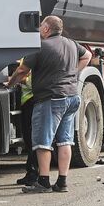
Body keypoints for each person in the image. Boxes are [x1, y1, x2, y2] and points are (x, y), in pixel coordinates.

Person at [6, 15, 91, 193]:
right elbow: (88, 56)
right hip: (71, 97)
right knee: (65, 140)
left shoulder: (41, 47)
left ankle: (43, 182)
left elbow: (22, 70)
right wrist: (74, 73)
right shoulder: (71, 43)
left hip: (50, 99)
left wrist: (11, 83)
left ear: (46, 29)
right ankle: (62, 181)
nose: (38, 29)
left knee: (43, 141)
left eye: (41, 26)